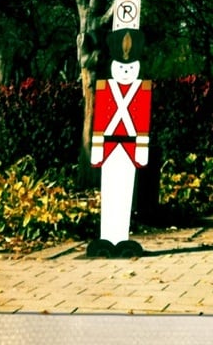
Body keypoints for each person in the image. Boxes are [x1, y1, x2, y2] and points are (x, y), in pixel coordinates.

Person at [86, 27, 151, 258]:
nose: (125, 71)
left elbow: (142, 120)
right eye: (121, 67)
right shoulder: (105, 88)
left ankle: (121, 237)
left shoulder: (143, 89)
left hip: (130, 148)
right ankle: (107, 235)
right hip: (110, 147)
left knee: (124, 192)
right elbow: (101, 120)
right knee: (110, 190)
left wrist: (142, 148)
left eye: (130, 68)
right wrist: (97, 148)